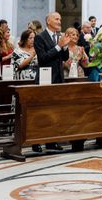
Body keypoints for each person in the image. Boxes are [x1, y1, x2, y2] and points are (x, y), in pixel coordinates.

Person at [33, 12, 70, 153]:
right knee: (42, 112)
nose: (60, 21)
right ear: (48, 21)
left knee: (55, 111)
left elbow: (64, 57)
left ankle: (51, 141)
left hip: (58, 78)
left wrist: (65, 46)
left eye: (60, 18)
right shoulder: (40, 37)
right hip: (45, 79)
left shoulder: (59, 37)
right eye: (57, 19)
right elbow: (42, 59)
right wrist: (59, 47)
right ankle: (36, 141)